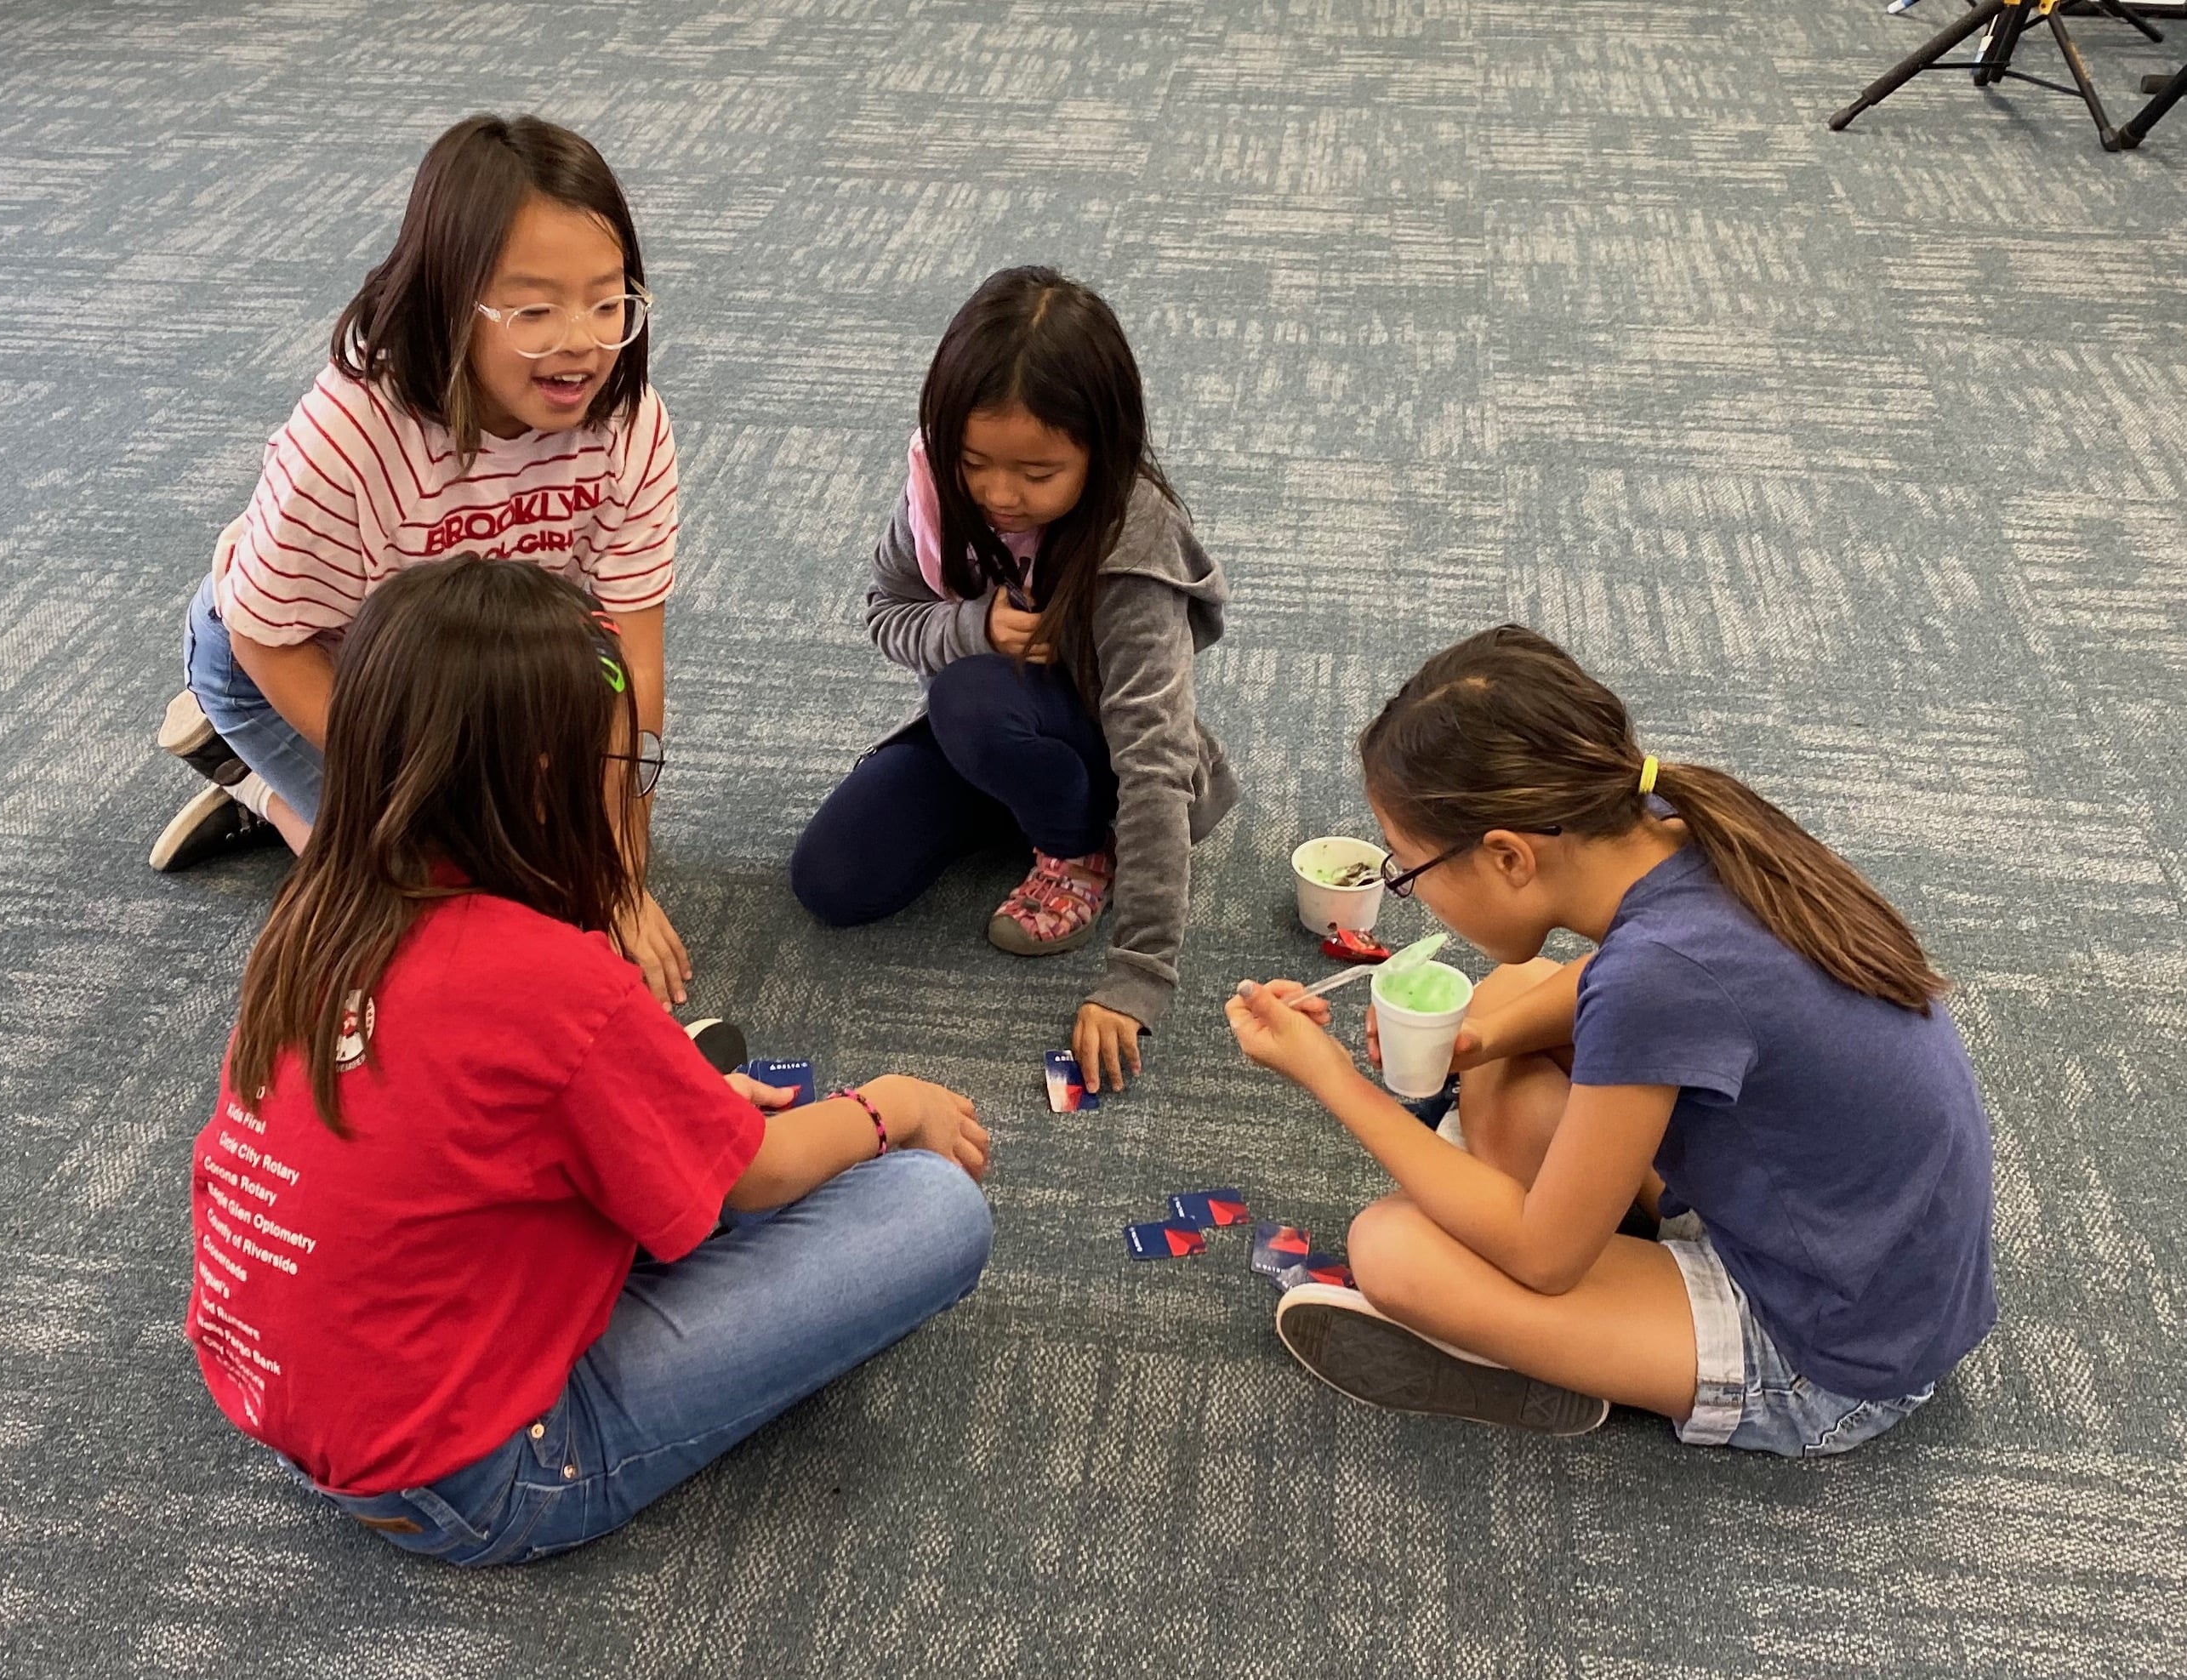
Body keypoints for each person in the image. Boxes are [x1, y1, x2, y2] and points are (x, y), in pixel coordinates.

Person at [185, 557, 994, 1566]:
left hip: (291, 1401)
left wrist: (673, 1109)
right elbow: (753, 1179)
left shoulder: (315, 915)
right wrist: (890, 1106)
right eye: (622, 772)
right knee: (931, 1207)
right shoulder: (555, 980)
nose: (626, 799)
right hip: (484, 1478)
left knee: (649, 1131)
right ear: (542, 786)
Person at [1225, 624, 1996, 1455]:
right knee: (1511, 1000)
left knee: (1393, 1248)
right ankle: (1551, 1290)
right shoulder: (1675, 817)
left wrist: (1335, 1079)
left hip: (1831, 1350)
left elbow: (1545, 1254)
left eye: (1410, 872)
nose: (1411, 892)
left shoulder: (1657, 979)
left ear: (1510, 856)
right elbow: (1612, 988)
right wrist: (1477, 1039)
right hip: (1847, 1235)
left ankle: (1517, 1347)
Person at [151, 114, 690, 1005]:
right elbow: (264, 638)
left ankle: (321, 803)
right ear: (449, 299)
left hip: (476, 673)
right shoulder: (352, 435)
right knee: (441, 905)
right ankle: (267, 788)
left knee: (564, 871)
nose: (582, 342)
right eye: (533, 310)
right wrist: (440, 788)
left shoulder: (629, 426)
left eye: (608, 302)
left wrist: (621, 877)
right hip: (301, 661)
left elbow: (628, 668)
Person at [791, 266, 1235, 1095]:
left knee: (967, 693)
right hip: (992, 735)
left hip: (1102, 755)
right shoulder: (937, 482)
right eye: (977, 463)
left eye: (1037, 474)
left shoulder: (1132, 550)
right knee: (832, 880)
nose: (1001, 495)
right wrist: (970, 627)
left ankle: (1074, 851)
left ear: (1103, 450)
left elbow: (1155, 759)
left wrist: (1137, 977)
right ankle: (1022, 809)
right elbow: (887, 612)